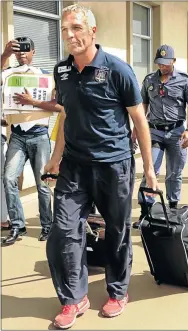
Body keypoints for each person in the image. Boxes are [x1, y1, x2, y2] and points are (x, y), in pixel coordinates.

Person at [43, 5, 158, 328]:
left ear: (93, 32)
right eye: (65, 30)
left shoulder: (118, 70)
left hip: (114, 165)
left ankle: (118, 291)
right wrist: (55, 158)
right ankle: (73, 297)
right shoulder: (62, 71)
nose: (70, 35)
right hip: (74, 167)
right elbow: (66, 115)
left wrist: (149, 170)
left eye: (77, 28)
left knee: (117, 232)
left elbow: (139, 120)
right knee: (64, 231)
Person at [1, 37, 60, 245]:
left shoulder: (46, 76)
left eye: (26, 51)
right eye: (19, 52)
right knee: (9, 178)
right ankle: (17, 226)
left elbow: (60, 106)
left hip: (39, 135)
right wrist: (5, 55)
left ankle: (47, 226)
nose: (22, 54)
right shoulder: (9, 74)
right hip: (17, 134)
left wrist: (33, 102)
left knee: (43, 184)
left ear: (34, 52)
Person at [135, 44, 188, 212]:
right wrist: (136, 128)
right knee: (151, 170)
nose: (162, 66)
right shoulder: (150, 80)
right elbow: (143, 105)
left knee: (174, 173)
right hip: (155, 132)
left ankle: (172, 208)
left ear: (174, 61)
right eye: (159, 63)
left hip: (177, 133)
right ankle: (145, 211)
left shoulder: (185, 81)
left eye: (165, 63)